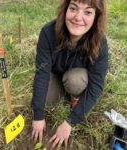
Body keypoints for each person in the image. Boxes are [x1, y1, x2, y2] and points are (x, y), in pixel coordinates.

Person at [31, 0, 108, 149]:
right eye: (73, 8)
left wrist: (70, 122)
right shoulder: (48, 32)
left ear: (96, 16)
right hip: (56, 74)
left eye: (88, 12)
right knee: (46, 100)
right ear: (65, 10)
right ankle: (62, 91)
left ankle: (75, 96)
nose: (78, 17)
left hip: (77, 76)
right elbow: (42, 73)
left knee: (76, 81)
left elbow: (96, 86)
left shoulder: (100, 42)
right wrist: (38, 115)